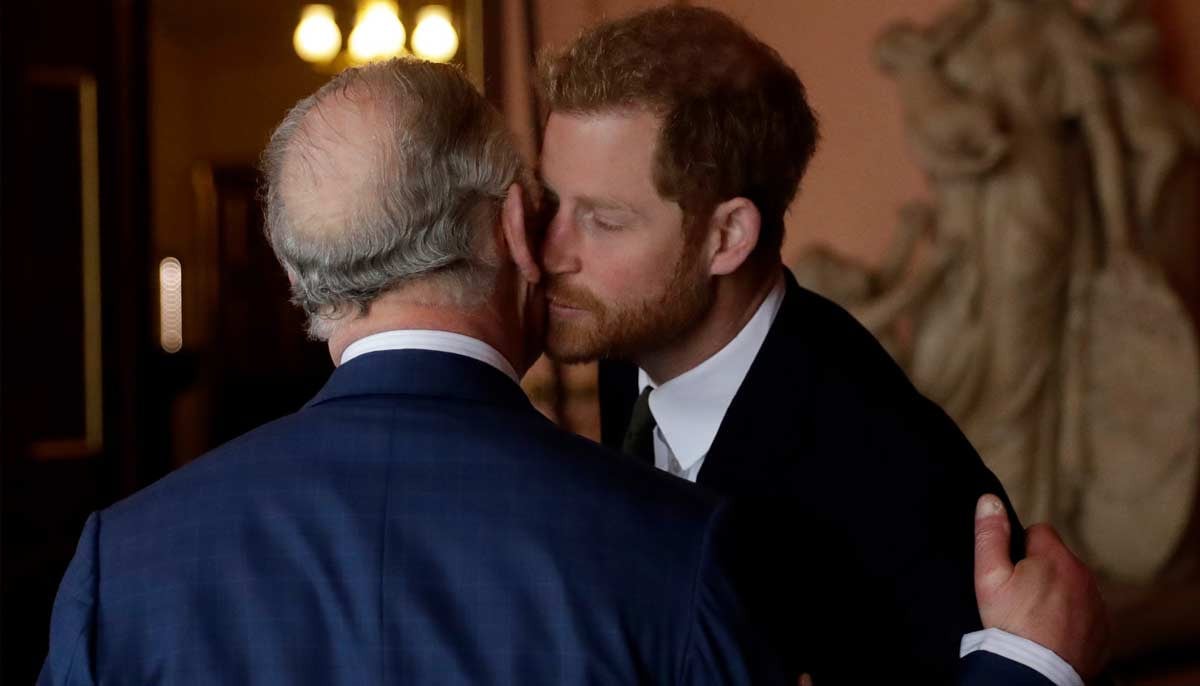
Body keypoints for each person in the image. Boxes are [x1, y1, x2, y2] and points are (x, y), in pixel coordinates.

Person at [38, 58, 1103, 685]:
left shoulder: (117, 564)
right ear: (514, 223)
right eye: (554, 211)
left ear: (297, 269)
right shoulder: (674, 550)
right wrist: (1024, 672)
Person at [535, 5, 1106, 683]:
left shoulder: (889, 476)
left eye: (603, 220)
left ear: (727, 237)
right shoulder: (629, 343)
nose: (550, 252)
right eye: (553, 201)